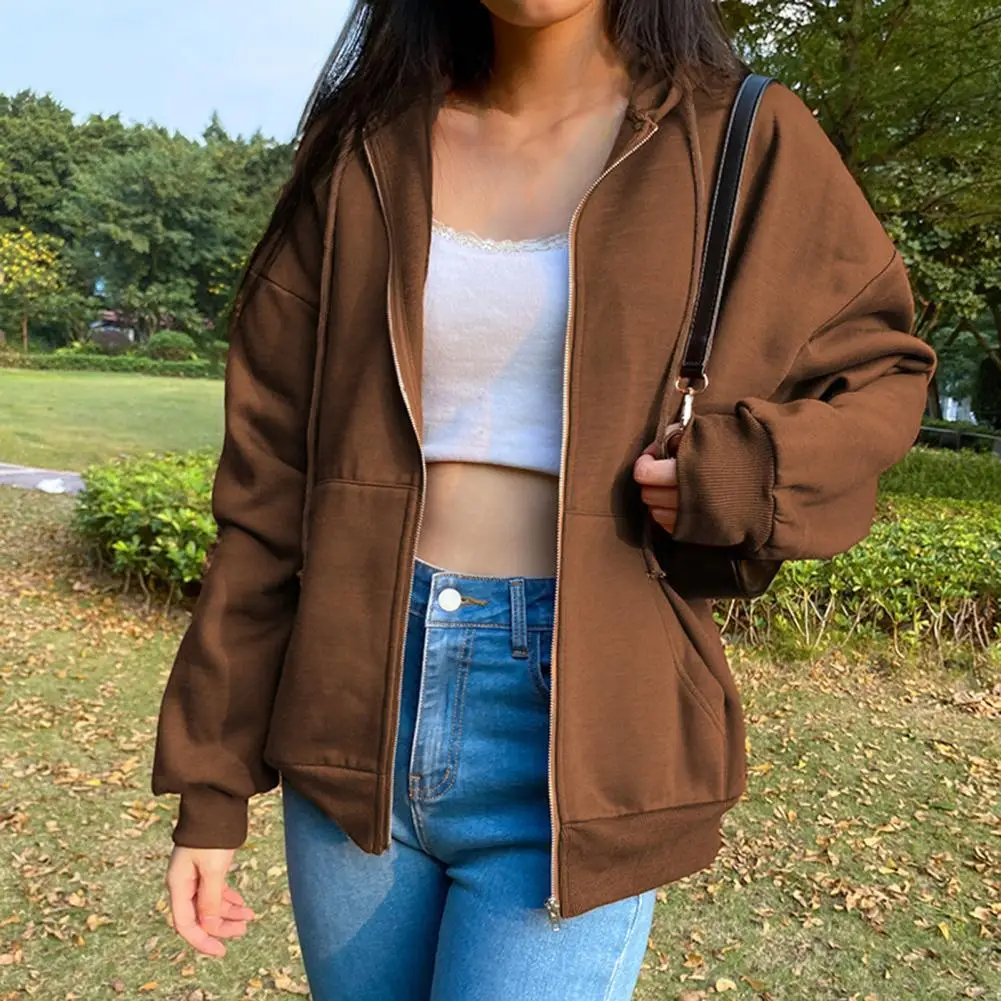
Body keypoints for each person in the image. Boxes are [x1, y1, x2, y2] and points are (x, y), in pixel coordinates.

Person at [151, 1, 938, 998]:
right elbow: (267, 488)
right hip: (348, 713)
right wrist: (211, 782)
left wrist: (738, 470)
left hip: (578, 725)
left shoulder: (738, 133)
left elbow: (881, 373)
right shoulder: (364, 149)